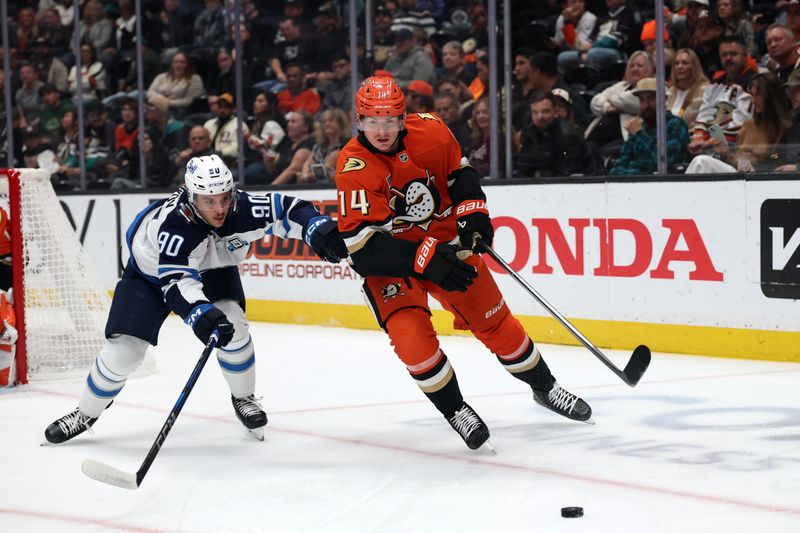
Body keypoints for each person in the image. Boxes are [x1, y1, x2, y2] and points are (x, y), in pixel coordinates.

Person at [334, 76, 592, 451]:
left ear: (404, 117)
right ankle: (456, 409)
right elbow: (362, 248)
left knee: (497, 324)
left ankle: (545, 388)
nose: (383, 129)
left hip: (447, 246)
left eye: (391, 119)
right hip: (392, 265)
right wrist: (424, 260)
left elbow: (460, 175)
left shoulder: (433, 130)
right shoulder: (353, 166)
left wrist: (474, 216)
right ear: (358, 120)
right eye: (373, 120)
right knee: (413, 342)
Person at [44, 154, 348, 444]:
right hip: (150, 277)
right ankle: (85, 413)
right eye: (209, 201)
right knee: (123, 353)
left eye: (224, 198)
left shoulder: (241, 207)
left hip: (212, 268)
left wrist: (313, 225)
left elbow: (288, 207)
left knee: (234, 326)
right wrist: (200, 313)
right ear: (192, 197)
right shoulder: (176, 226)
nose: (219, 208)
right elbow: (176, 283)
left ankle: (243, 397)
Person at [610, 77, 691, 174]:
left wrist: (639, 135)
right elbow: (623, 160)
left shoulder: (676, 125)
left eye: (651, 99)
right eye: (642, 100)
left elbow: (663, 162)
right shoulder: (639, 125)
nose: (646, 105)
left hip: (663, 182)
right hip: (635, 179)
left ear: (664, 98)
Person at [667, 49, 709, 131]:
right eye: (676, 63)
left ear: (694, 67)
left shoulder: (706, 90)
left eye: (685, 63)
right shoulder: (670, 92)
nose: (680, 67)